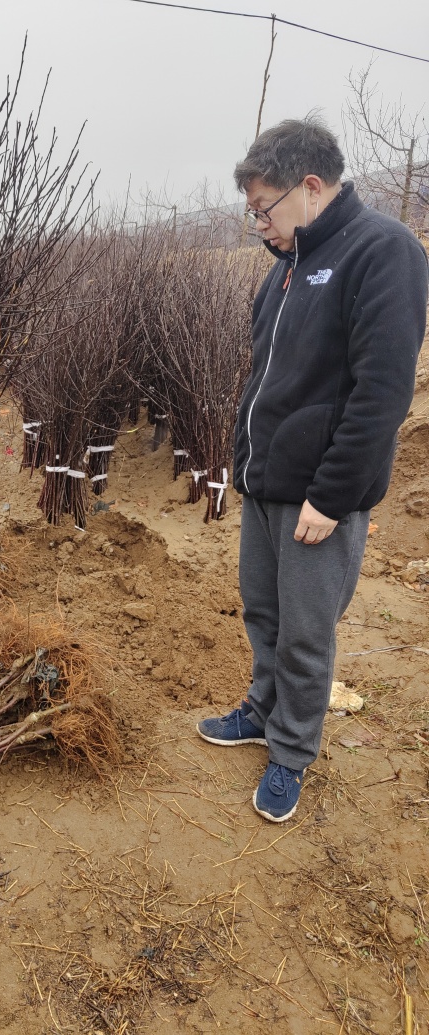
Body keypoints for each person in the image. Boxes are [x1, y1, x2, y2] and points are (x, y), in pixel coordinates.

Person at [197, 116, 428, 823]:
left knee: (305, 630)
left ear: (312, 187)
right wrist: (243, 460)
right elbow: (264, 379)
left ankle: (293, 750)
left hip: (318, 498)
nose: (258, 223)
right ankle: (263, 711)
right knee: (263, 613)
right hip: (266, 486)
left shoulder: (381, 252)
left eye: (264, 208)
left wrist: (330, 496)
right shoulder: (285, 272)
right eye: (251, 212)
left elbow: (381, 393)